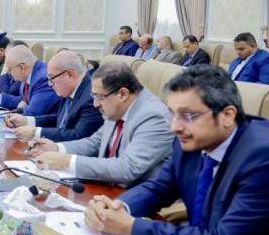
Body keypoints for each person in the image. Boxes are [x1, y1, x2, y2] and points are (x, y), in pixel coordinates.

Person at [84, 65, 269, 235]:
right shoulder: (190, 140)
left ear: (227, 115)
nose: (175, 127)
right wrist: (117, 208)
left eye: (188, 116)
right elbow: (158, 188)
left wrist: (130, 227)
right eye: (172, 114)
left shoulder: (262, 156)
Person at [32, 61, 174, 186]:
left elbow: (128, 168)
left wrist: (67, 161)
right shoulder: (117, 107)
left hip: (135, 197)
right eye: (94, 96)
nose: (95, 104)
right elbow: (95, 142)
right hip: (106, 188)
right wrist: (57, 148)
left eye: (99, 97)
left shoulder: (154, 117)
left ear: (123, 94)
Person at [6, 50, 103, 142]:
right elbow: (59, 120)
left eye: (52, 78)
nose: (49, 84)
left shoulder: (91, 97)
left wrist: (36, 133)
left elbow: (78, 136)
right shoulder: (70, 88)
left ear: (70, 75)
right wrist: (27, 121)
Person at [0, 44, 59, 115]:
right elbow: (23, 99)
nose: (8, 73)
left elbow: (32, 112)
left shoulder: (43, 79)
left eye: (10, 69)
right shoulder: (28, 74)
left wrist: (21, 108)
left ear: (22, 67)